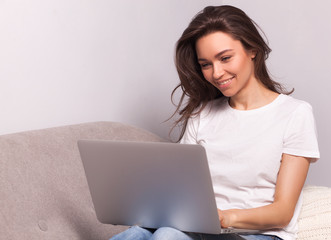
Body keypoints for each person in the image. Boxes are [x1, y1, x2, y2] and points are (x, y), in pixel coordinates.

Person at [110, 5, 320, 240]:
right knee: (140, 233)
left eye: (225, 58)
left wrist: (224, 217)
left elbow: (282, 212)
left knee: (167, 235)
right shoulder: (202, 114)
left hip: (256, 234)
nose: (216, 73)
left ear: (252, 49)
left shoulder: (294, 114)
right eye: (206, 64)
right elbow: (179, 189)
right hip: (198, 226)